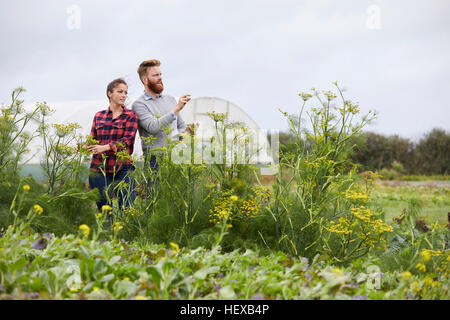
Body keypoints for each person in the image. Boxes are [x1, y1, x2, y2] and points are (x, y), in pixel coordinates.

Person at [86, 78, 138, 211]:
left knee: (127, 208)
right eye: (120, 91)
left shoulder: (130, 116)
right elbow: (93, 139)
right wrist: (84, 147)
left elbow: (127, 140)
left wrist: (105, 147)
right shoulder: (99, 116)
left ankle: (125, 231)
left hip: (123, 167)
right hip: (99, 168)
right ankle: (107, 231)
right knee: (104, 210)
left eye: (125, 92)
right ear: (110, 93)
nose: (124, 95)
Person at [131, 59, 192, 171]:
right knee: (155, 188)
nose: (160, 78)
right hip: (154, 158)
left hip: (176, 155)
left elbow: (181, 126)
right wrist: (176, 109)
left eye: (160, 74)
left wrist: (187, 132)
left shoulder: (171, 100)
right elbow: (153, 126)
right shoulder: (139, 105)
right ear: (145, 79)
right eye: (155, 75)